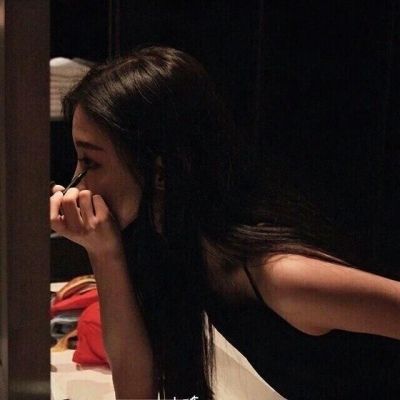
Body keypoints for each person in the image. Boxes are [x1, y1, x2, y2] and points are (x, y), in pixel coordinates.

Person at [50, 45, 400, 400]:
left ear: (160, 171)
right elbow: (136, 392)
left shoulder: (284, 277)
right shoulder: (173, 254)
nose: (76, 184)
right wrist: (104, 253)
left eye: (90, 162)